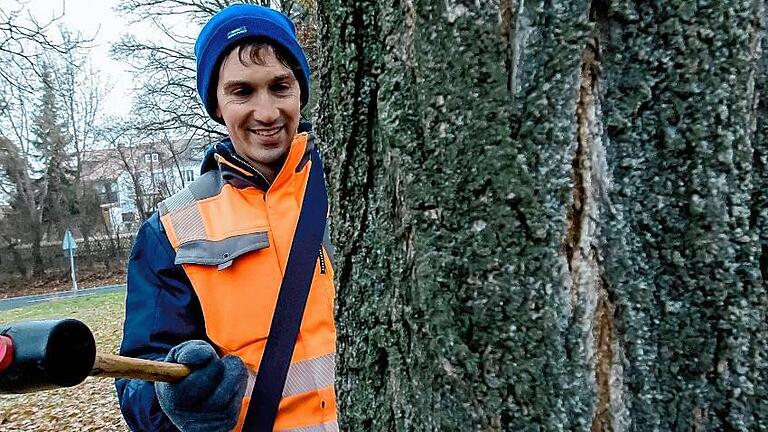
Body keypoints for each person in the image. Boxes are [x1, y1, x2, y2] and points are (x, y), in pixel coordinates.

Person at [115, 4, 338, 432]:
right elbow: (138, 375)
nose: (267, 111)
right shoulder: (172, 229)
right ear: (216, 105)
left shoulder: (355, 188)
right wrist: (174, 402)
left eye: (280, 86)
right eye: (242, 91)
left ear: (300, 91)